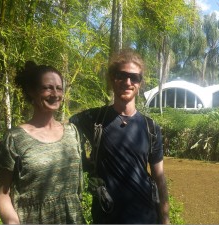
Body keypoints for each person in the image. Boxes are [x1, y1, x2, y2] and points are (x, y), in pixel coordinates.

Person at [70, 49, 170, 224]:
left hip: (145, 218)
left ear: (140, 84)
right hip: (106, 217)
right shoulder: (94, 119)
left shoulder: (151, 127)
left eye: (134, 77)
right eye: (121, 75)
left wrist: (165, 218)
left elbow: (159, 178)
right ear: (111, 79)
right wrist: (86, 164)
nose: (127, 82)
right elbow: (60, 131)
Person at [0, 61, 86, 224]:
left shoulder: (72, 133)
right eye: (47, 88)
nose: (55, 94)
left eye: (59, 88)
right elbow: (2, 193)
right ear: (32, 91)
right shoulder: (15, 138)